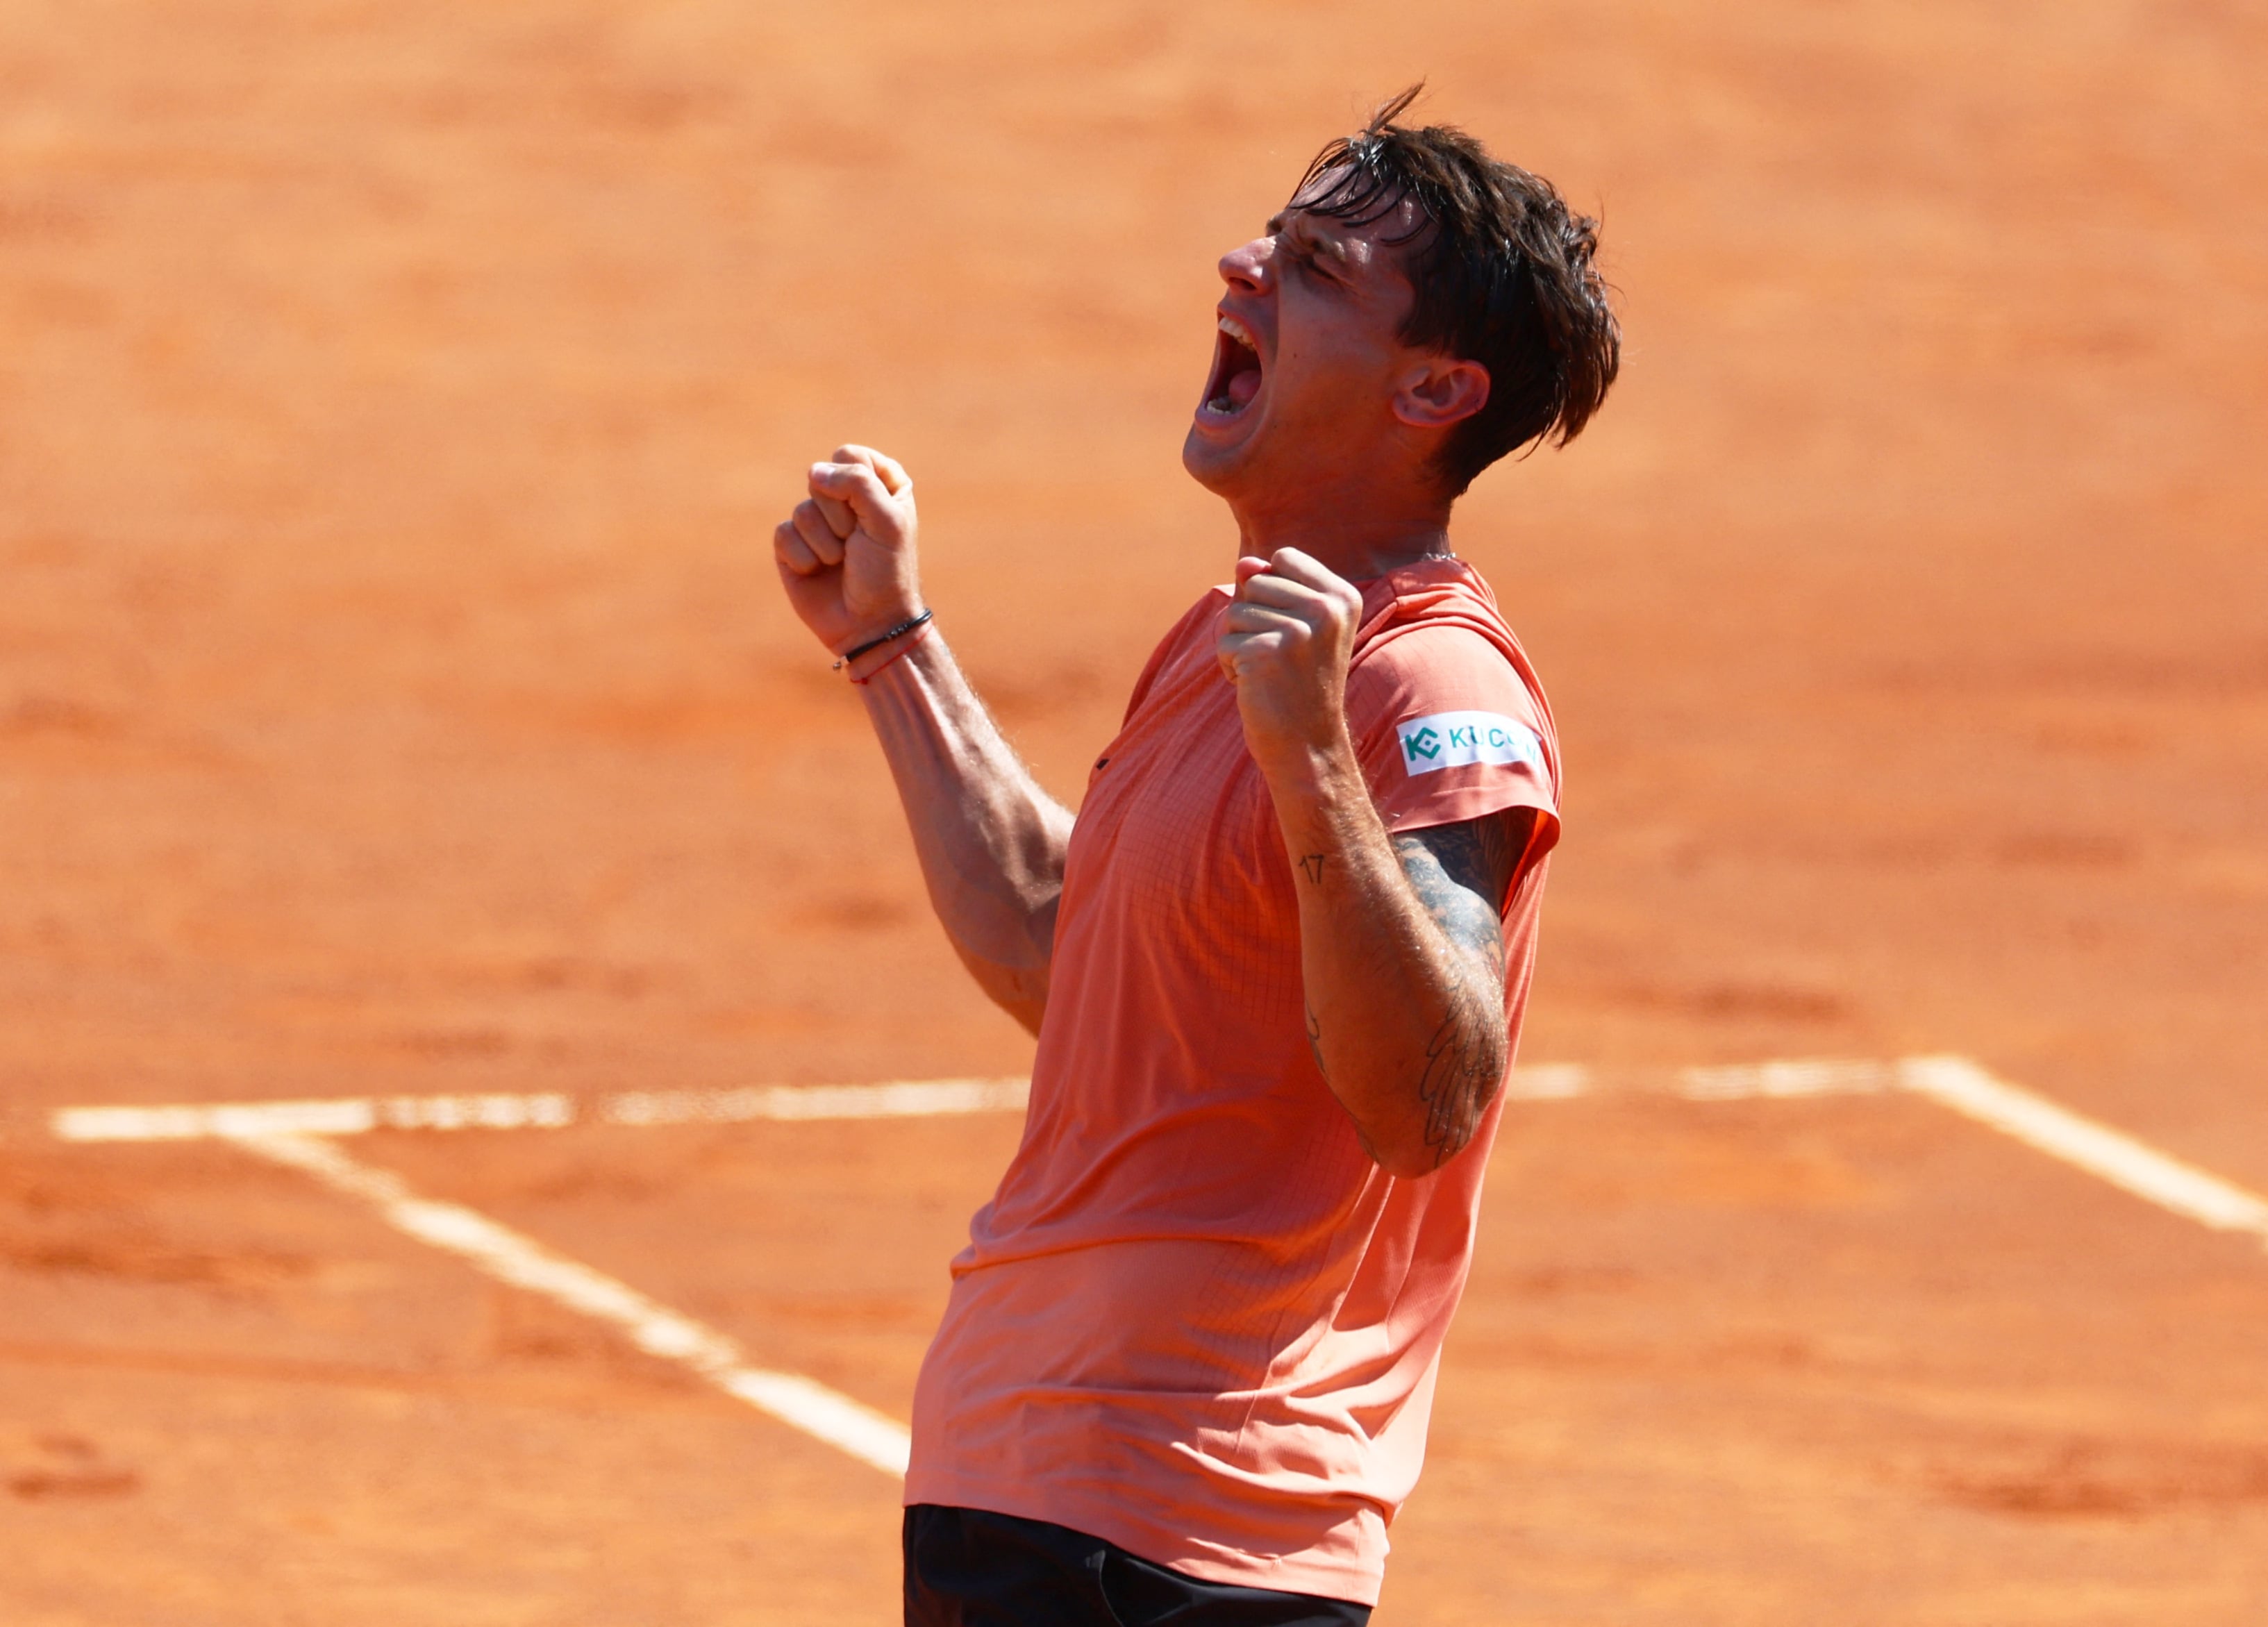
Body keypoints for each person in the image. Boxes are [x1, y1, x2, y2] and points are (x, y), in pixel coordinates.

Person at [772, 85, 1619, 1627]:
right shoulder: (1228, 635)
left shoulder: (1430, 683)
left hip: (1190, 1528)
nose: (1243, 267)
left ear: (1434, 389)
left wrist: (1313, 759)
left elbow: (1426, 1094)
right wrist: (892, 648)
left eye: (1313, 268)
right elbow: (1069, 950)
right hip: (1021, 1473)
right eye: (1271, 239)